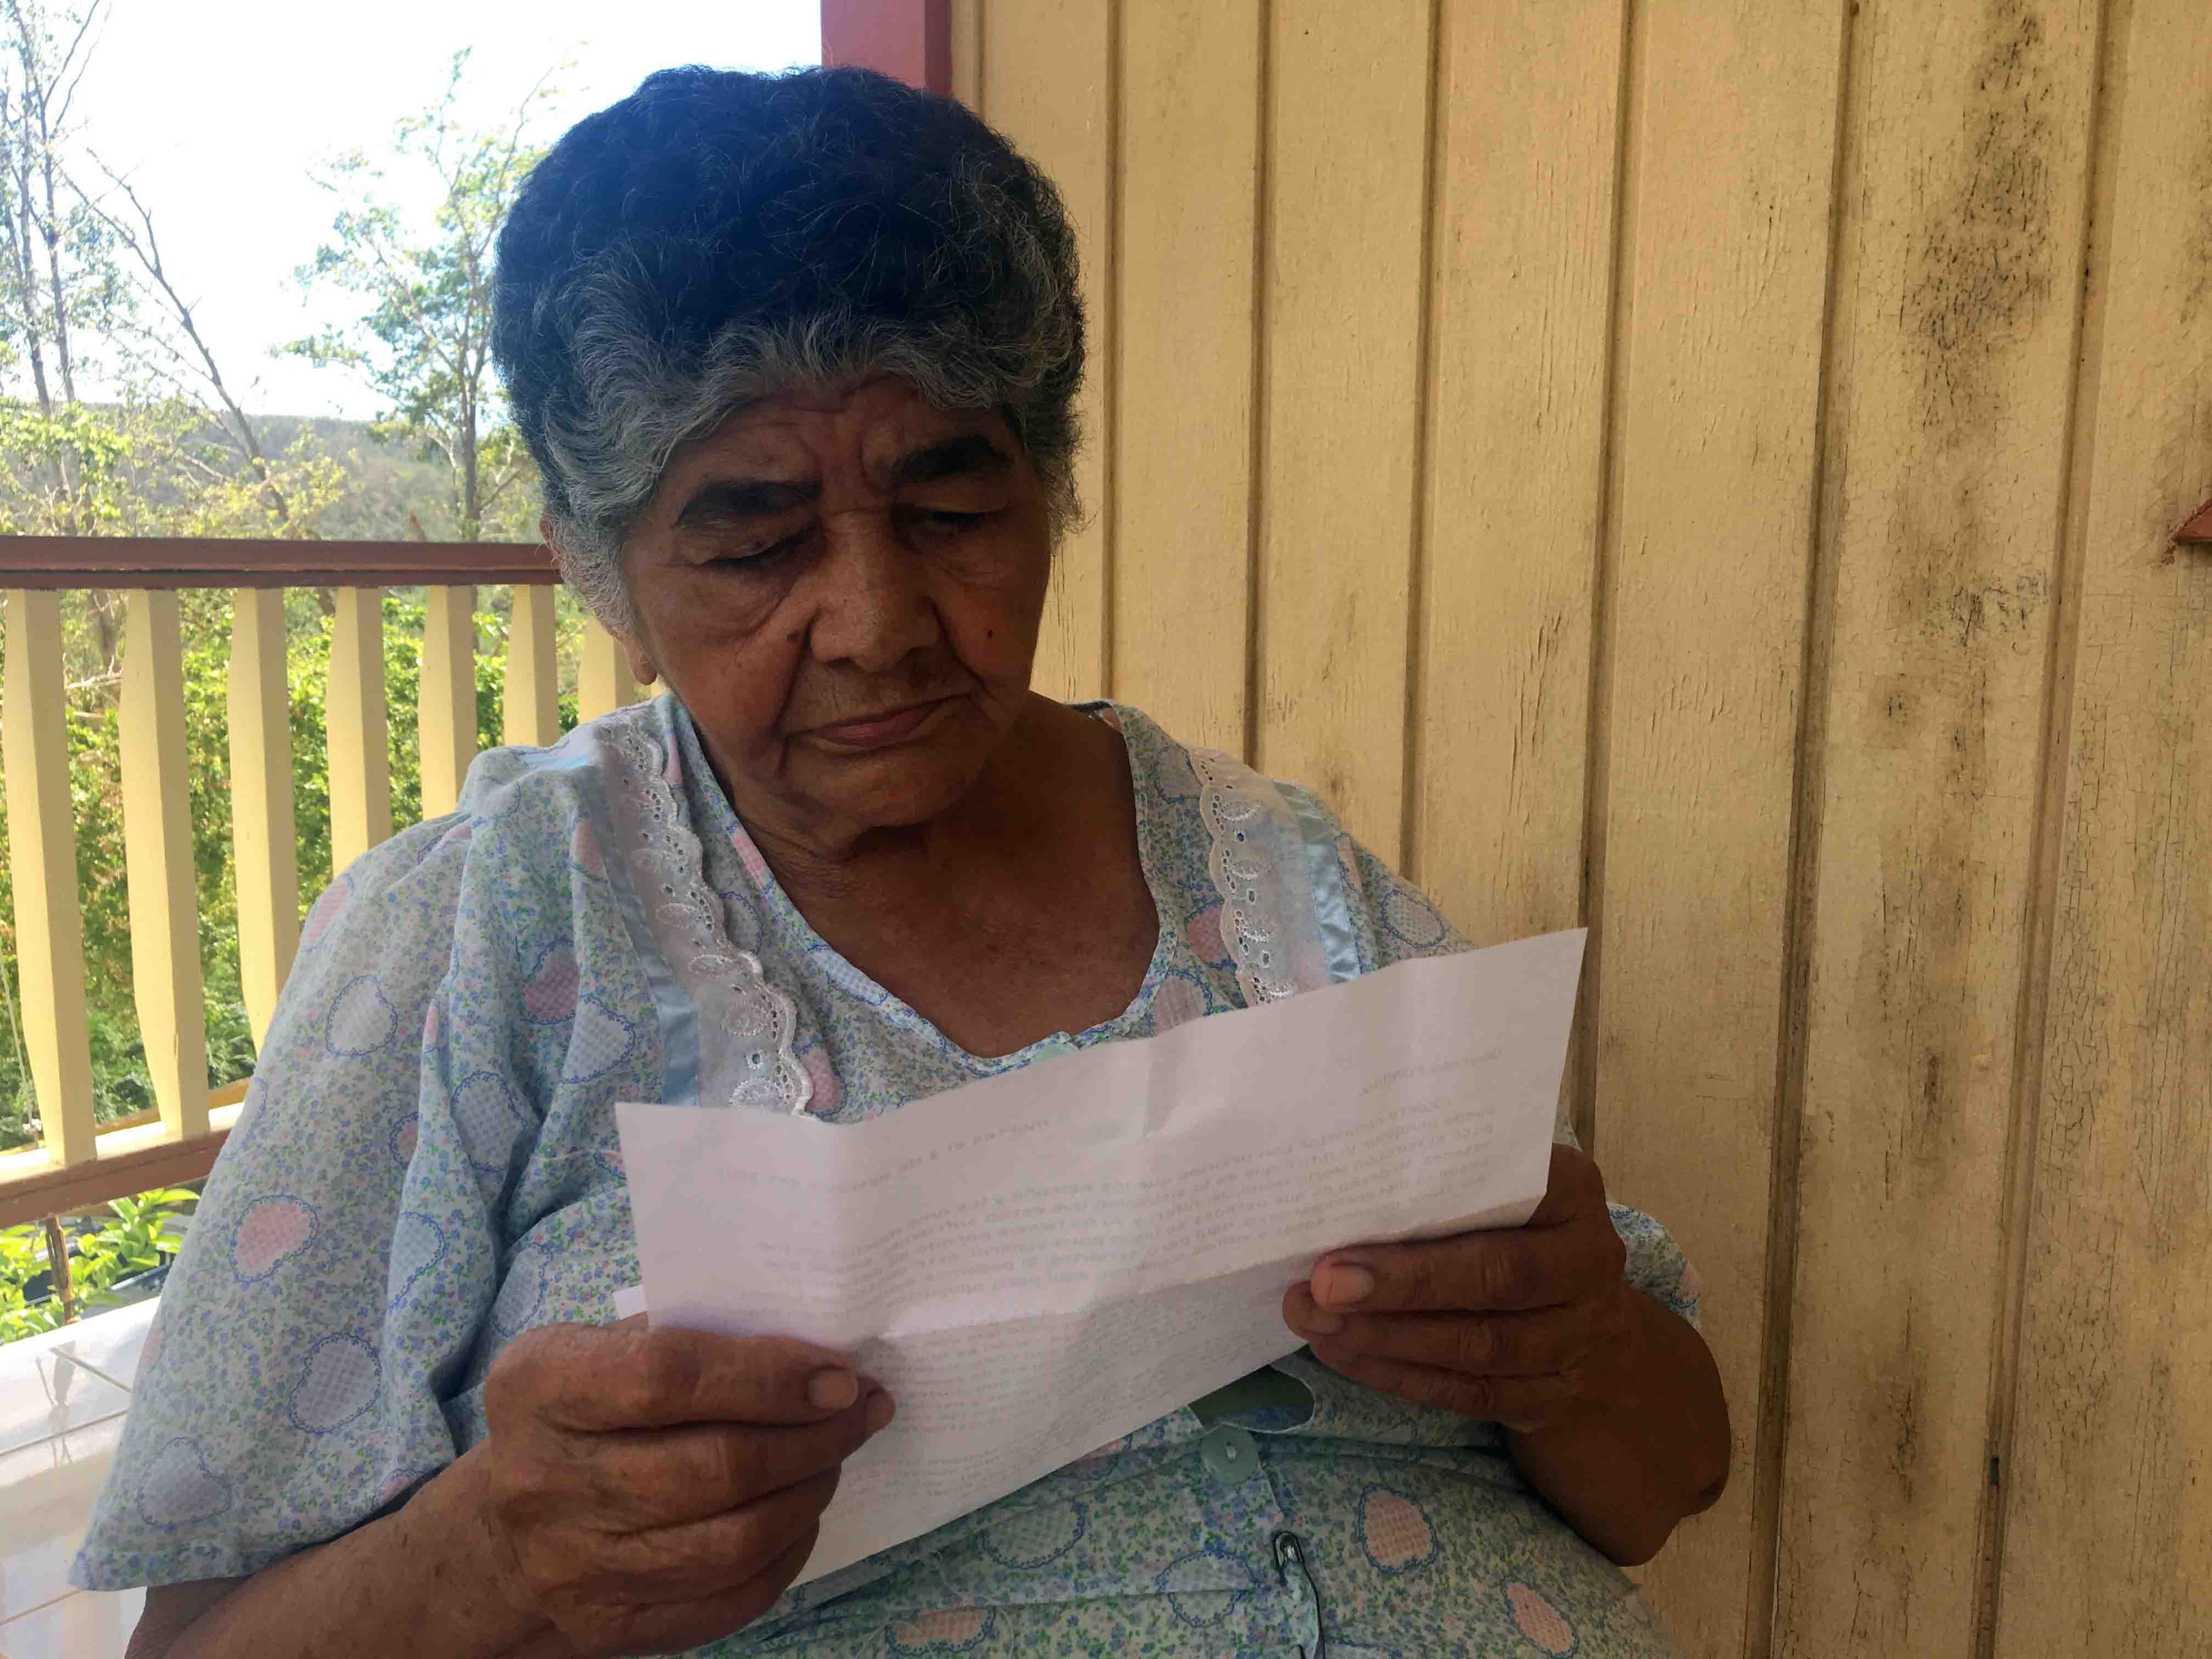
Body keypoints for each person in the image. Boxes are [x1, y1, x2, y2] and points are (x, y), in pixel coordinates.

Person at [78, 65, 1728, 1658]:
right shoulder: (489, 927)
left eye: (951, 509)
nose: (874, 626)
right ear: (606, 574)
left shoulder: (1281, 876)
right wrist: (501, 1547)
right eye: (750, 536)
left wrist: (1576, 1350)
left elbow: (1668, 1482)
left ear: (1050, 492)